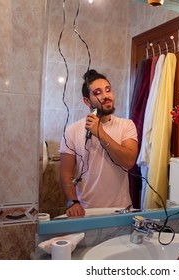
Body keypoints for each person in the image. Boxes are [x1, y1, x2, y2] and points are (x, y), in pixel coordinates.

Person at [59, 69, 138, 217]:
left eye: (108, 90)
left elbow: (129, 162)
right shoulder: (72, 131)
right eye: (98, 92)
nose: (106, 96)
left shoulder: (127, 125)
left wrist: (100, 132)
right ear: (87, 101)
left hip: (121, 209)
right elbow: (66, 173)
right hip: (85, 209)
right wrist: (74, 202)